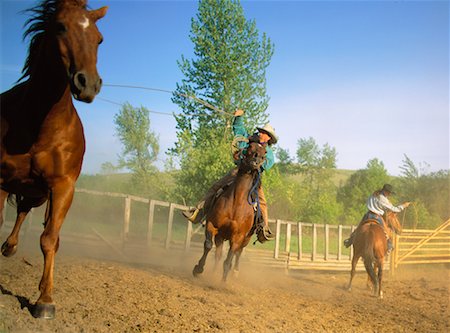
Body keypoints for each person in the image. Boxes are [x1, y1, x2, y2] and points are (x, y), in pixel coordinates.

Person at [182, 108, 278, 243]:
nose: (262, 134)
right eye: (261, 131)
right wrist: (239, 117)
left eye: (265, 133)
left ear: (269, 138)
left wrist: (256, 163)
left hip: (254, 177)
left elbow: (267, 164)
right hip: (239, 171)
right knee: (216, 187)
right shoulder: (248, 140)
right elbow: (239, 130)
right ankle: (198, 211)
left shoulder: (269, 153)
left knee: (262, 202)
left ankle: (264, 229)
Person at [344, 184, 410, 252]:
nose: (389, 194)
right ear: (385, 191)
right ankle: (389, 244)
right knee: (385, 231)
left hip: (368, 215)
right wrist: (403, 206)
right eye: (389, 192)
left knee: (359, 229)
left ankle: (350, 240)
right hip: (377, 216)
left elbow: (368, 202)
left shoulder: (373, 194)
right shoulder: (383, 199)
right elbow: (394, 209)